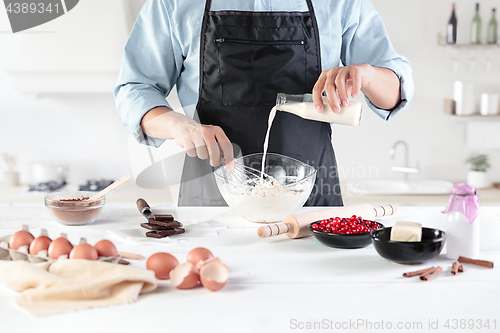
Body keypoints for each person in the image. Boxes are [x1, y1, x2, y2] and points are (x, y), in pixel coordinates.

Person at [114, 0, 414, 206]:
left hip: (309, 204)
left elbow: (395, 90)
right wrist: (177, 124)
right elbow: (134, 89)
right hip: (213, 206)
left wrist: (368, 74)